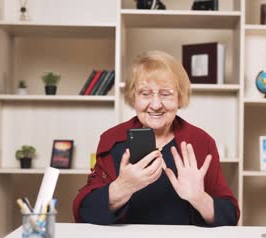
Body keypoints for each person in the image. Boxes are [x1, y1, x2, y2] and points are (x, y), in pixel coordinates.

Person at [72, 51, 240, 226]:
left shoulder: (201, 142)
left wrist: (200, 198)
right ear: (133, 97)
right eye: (145, 93)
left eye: (166, 94)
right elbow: (84, 213)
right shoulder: (112, 140)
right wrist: (121, 187)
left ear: (179, 97)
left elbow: (230, 216)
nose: (156, 104)